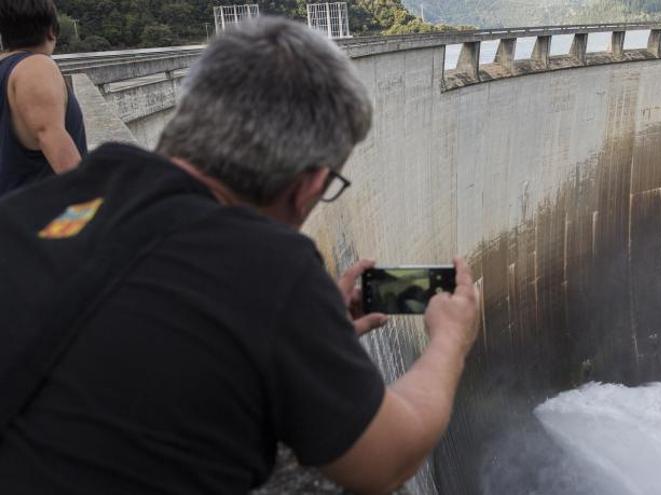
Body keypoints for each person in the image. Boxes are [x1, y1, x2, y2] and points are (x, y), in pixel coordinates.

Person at [0, 17, 478, 495]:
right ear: (310, 184)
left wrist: (303, 333)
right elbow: (388, 460)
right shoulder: (270, 268)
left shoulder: (36, 207)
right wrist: (449, 341)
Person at [0, 0, 87, 198]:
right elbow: (50, 136)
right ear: (51, 31)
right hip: (39, 217)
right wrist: (90, 199)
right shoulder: (36, 66)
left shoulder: (4, 70)